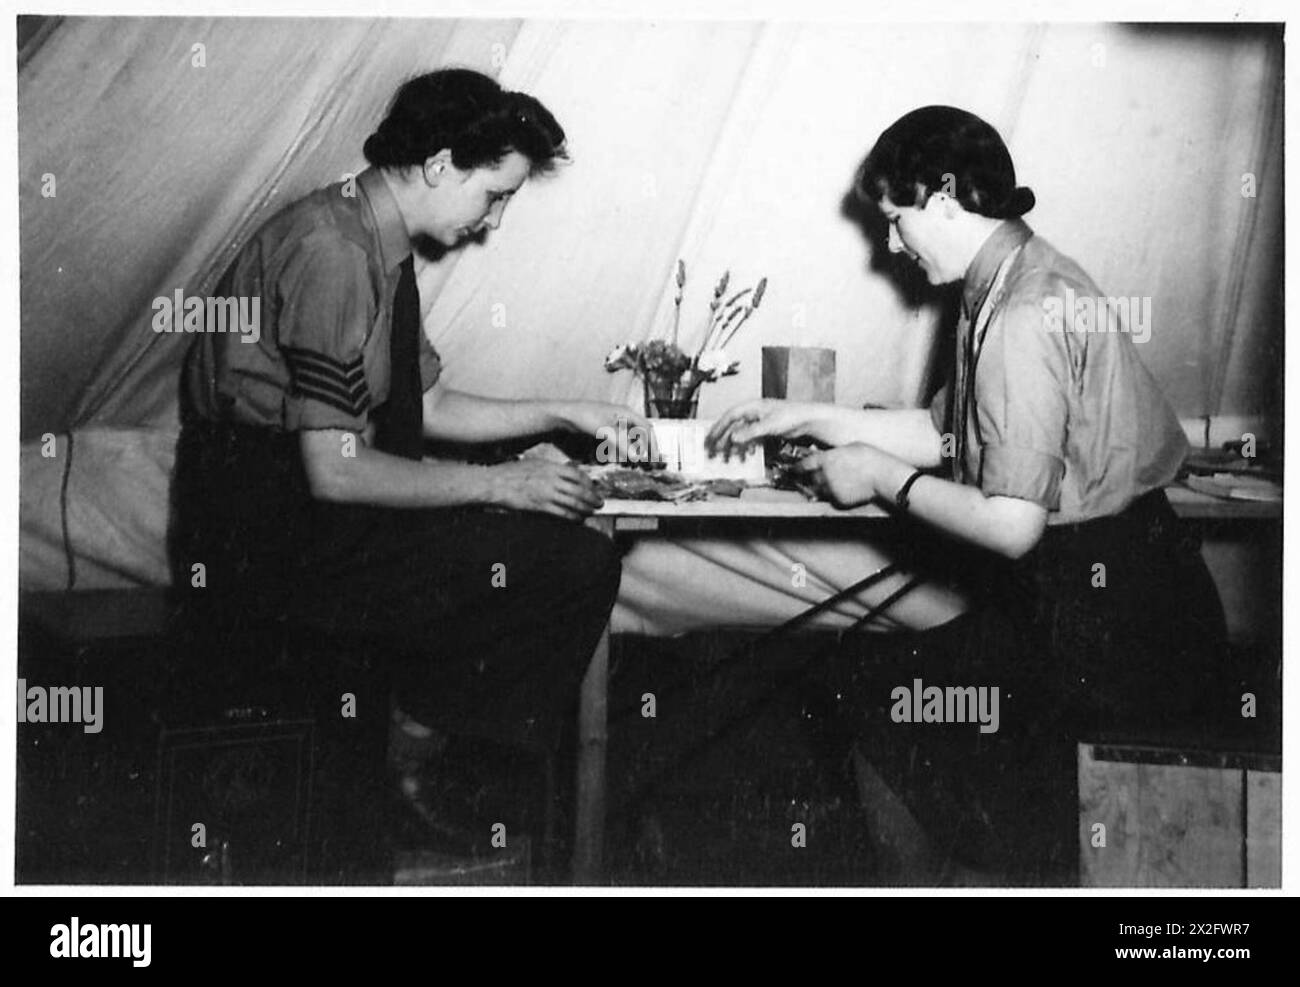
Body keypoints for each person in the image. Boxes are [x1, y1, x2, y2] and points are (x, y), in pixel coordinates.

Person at [707, 106, 1229, 883]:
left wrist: (879, 477)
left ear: (944, 199)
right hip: (1110, 598)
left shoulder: (1020, 312)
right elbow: (952, 434)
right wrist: (808, 415)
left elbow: (1012, 525)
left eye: (896, 220)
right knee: (885, 690)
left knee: (879, 697)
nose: (892, 244)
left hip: (1121, 628)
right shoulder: (1012, 277)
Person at [171, 69, 644, 848]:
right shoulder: (333, 253)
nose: (492, 221)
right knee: (568, 562)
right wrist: (501, 483)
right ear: (439, 164)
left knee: (549, 533)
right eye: (492, 195)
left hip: (303, 503)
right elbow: (339, 469)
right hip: (262, 528)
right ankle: (416, 749)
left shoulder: (372, 241)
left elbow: (428, 405)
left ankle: (417, 734)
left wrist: (568, 411)